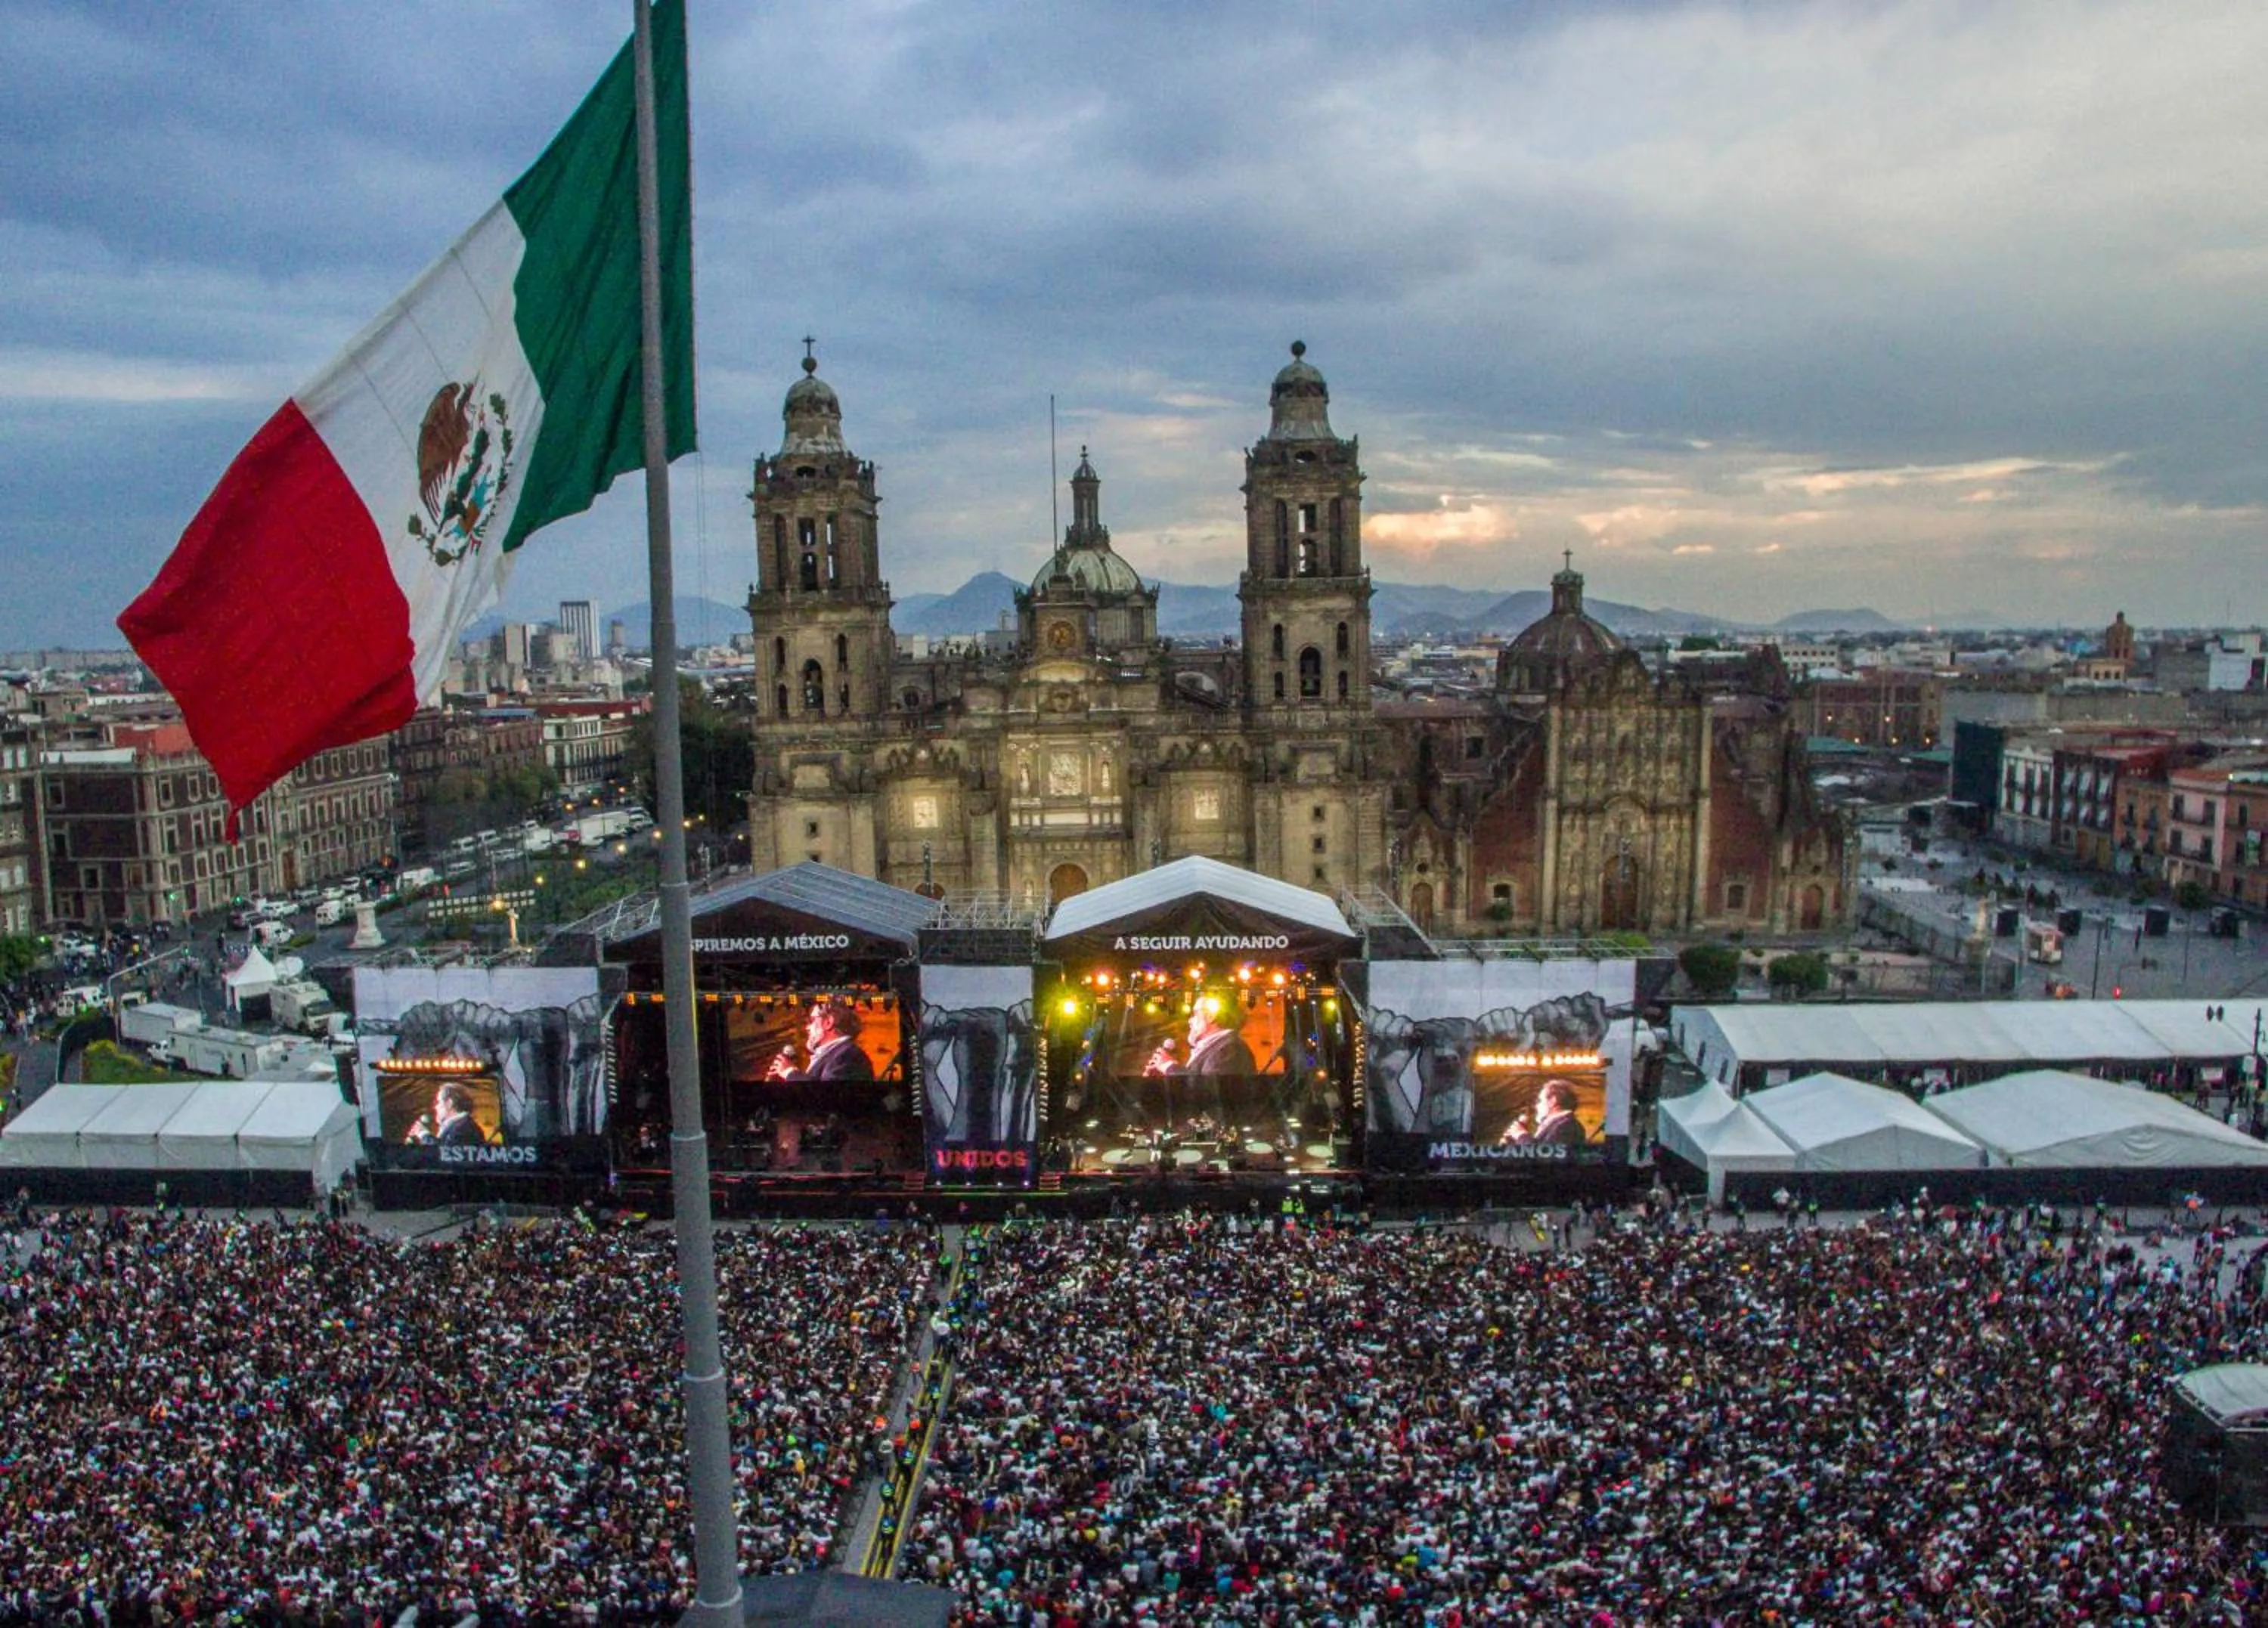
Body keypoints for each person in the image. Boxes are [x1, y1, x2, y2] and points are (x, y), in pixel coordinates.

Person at [1143, 993, 1256, 1078]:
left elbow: (1207, 1091)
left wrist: (1169, 1067)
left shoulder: (1230, 1049)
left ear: (1211, 1016)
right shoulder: (1220, 1047)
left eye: (1195, 1014)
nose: (1190, 1021)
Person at [767, 1000, 875, 1082]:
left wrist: (790, 1073)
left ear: (828, 1023)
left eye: (812, 1020)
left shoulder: (846, 1055)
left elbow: (825, 1097)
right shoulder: (838, 1054)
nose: (807, 1028)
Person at [1499, 1077, 1590, 1146]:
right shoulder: (1559, 1124)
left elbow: (1545, 1157)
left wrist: (1521, 1135)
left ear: (1553, 1101)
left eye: (1540, 1101)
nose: (1537, 1106)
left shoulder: (1566, 1126)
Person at [408, 1082, 493, 1147]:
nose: (435, 1107)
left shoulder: (463, 1128)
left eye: (438, 1102)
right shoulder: (460, 1125)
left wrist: (423, 1134)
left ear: (449, 1103)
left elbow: (444, 1155)